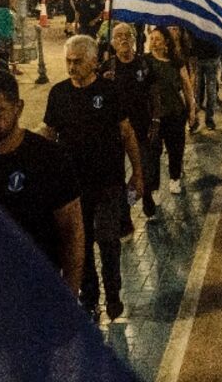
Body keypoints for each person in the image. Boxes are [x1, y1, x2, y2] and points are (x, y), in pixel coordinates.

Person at [0, 71, 85, 297]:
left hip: (35, 295)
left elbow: (72, 233)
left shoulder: (49, 158)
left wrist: (69, 298)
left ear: (18, 108)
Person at [38, 35, 144, 323]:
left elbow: (127, 133)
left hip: (109, 183)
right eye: (68, 62)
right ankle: (89, 298)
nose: (72, 67)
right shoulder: (58, 94)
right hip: (72, 187)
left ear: (94, 62)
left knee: (108, 239)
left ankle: (113, 296)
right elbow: (49, 133)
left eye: (78, 62)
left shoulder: (110, 92)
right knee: (79, 244)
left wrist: (138, 172)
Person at [105, 23, 163, 218]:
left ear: (134, 39)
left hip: (141, 127)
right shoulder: (108, 67)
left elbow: (155, 93)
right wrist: (103, 83)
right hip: (115, 131)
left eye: (127, 35)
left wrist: (155, 119)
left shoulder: (143, 64)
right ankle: (126, 210)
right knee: (117, 174)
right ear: (112, 42)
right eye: (118, 36)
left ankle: (142, 196)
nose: (123, 39)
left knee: (143, 169)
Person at [146, 27, 197, 197]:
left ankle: (174, 179)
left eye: (157, 39)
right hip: (154, 116)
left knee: (176, 149)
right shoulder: (145, 62)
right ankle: (154, 188)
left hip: (175, 113)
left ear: (166, 42)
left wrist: (192, 110)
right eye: (151, 38)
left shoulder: (176, 61)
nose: (153, 42)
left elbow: (187, 86)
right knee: (153, 153)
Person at [192, 35, 221, 131]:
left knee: (196, 90)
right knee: (211, 90)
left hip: (198, 56)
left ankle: (194, 120)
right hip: (212, 55)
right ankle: (209, 120)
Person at [0, 0, 20, 75]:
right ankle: (6, 71)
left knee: (2, 55)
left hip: (0, 36)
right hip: (8, 36)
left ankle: (3, 70)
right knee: (7, 55)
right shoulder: (7, 12)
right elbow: (11, 24)